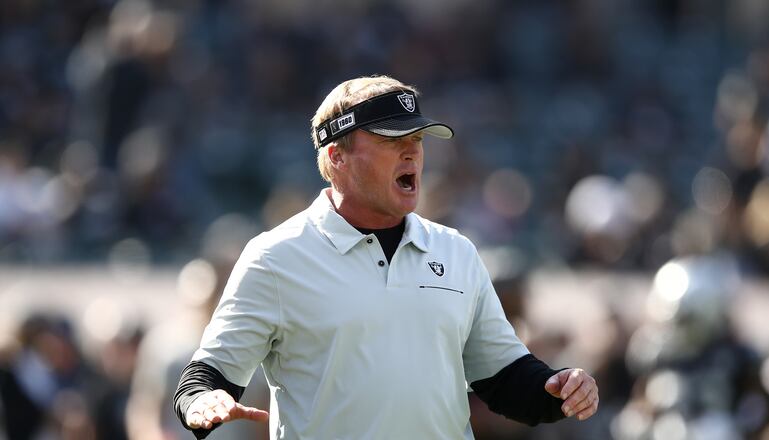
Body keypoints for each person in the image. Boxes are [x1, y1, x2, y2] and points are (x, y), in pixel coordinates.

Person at [173, 75, 599, 439]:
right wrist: (201, 402)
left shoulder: (456, 251)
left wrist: (557, 389)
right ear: (337, 156)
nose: (412, 151)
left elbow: (504, 379)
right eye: (391, 139)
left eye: (416, 138)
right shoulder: (275, 258)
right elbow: (207, 375)